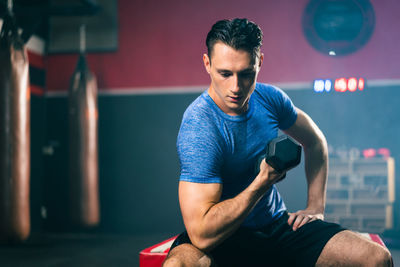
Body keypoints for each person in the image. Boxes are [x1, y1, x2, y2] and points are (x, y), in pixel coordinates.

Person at [163, 18, 393, 267]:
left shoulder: (269, 99)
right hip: (223, 237)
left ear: (260, 62)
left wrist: (315, 206)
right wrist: (262, 183)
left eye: (246, 73)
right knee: (179, 265)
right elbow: (202, 235)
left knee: (377, 259)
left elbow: (315, 142)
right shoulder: (199, 127)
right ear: (207, 64)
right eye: (225, 74)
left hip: (274, 227)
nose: (236, 87)